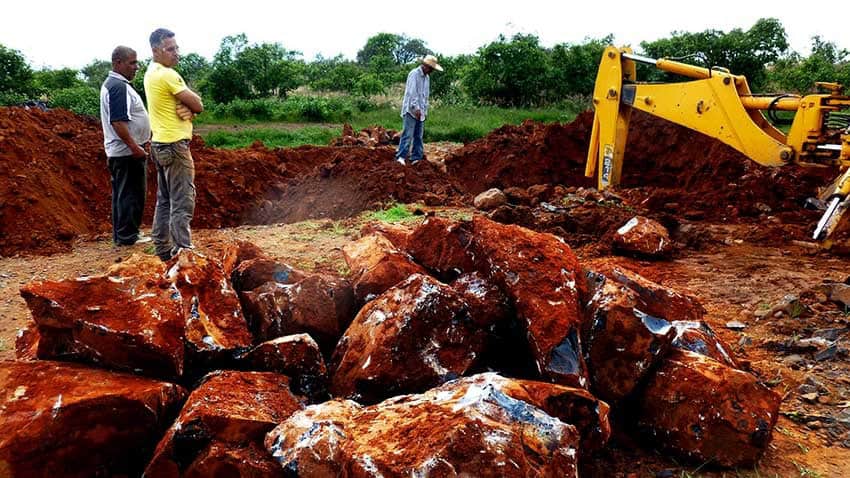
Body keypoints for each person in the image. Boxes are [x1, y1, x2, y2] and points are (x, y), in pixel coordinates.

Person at [144, 28, 204, 262]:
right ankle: (183, 252)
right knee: (182, 201)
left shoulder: (151, 72)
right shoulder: (167, 75)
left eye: (176, 48)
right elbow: (198, 104)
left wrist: (187, 110)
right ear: (156, 50)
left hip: (159, 144)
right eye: (170, 49)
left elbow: (188, 108)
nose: (176, 53)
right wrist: (192, 108)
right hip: (175, 146)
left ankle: (162, 249)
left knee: (165, 200)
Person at [99, 46, 151, 246]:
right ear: (117, 63)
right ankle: (127, 237)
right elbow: (118, 121)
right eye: (132, 62)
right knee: (131, 194)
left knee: (124, 193)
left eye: (136, 62)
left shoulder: (116, 84)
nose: (136, 67)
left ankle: (123, 235)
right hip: (126, 152)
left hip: (123, 151)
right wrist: (135, 147)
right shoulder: (118, 86)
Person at [395, 54, 442, 166]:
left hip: (421, 111)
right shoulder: (414, 74)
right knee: (408, 134)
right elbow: (412, 93)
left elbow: (425, 96)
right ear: (425, 65)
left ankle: (416, 157)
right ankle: (401, 156)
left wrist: (424, 111)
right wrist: (416, 108)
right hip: (411, 110)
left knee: (418, 135)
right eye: (431, 68)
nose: (431, 71)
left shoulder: (427, 78)